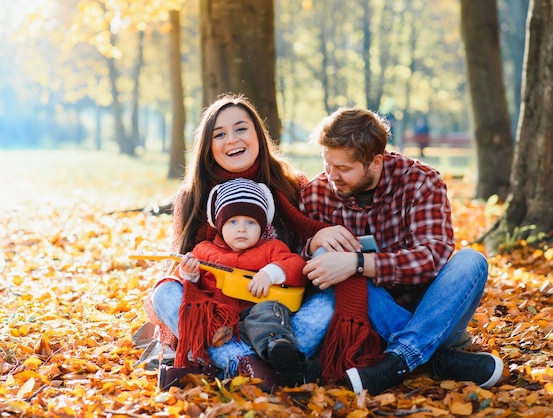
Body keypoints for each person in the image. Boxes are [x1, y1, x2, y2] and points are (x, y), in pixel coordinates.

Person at [300, 106, 504, 395]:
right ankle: (428, 357)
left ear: (375, 162)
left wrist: (359, 264)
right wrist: (314, 241)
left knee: (472, 261)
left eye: (344, 168)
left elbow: (432, 256)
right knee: (323, 257)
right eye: (326, 163)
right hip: (367, 319)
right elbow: (298, 264)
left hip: (434, 310)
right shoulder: (315, 193)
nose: (332, 175)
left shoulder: (421, 181)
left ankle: (398, 357)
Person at [143, 93, 334, 390]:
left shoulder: (291, 185)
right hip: (220, 318)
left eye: (241, 129)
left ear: (258, 134)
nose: (232, 139)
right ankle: (246, 362)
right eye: (220, 134)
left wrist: (311, 242)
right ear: (208, 146)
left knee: (330, 300)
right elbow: (180, 265)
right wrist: (184, 276)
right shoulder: (192, 197)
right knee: (164, 294)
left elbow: (303, 261)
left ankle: (239, 361)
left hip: (280, 314)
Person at [170, 177, 308, 387]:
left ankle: (279, 350)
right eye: (232, 222)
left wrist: (270, 273)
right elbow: (190, 293)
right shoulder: (203, 251)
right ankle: (240, 362)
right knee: (188, 308)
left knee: (268, 312)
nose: (241, 229)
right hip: (224, 325)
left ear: (262, 226)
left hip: (259, 318)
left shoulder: (271, 248)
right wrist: (190, 275)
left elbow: (297, 265)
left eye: (250, 222)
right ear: (219, 225)